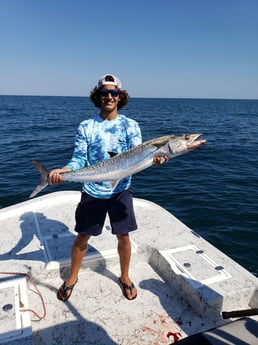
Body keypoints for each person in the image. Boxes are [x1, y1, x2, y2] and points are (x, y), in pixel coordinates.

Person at [49, 74, 167, 301]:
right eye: (104, 93)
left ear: (120, 97)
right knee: (83, 236)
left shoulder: (130, 125)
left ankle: (124, 276)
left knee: (124, 236)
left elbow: (138, 156)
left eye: (114, 93)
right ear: (98, 96)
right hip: (92, 190)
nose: (109, 97)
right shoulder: (86, 126)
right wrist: (65, 170)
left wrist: (156, 159)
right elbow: (78, 160)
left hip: (121, 191)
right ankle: (72, 277)